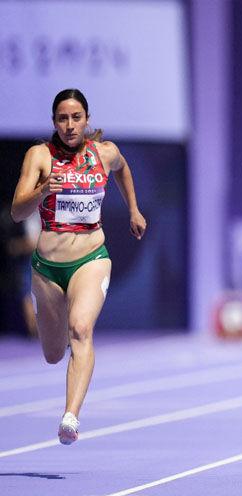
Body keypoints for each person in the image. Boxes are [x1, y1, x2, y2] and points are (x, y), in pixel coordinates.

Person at [11, 89, 146, 445]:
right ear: (54, 122)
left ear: (87, 120)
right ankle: (60, 349)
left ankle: (70, 416)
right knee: (53, 354)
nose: (69, 125)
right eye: (62, 119)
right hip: (47, 268)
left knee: (81, 329)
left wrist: (133, 209)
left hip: (91, 258)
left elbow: (123, 169)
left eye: (76, 118)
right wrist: (42, 189)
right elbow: (16, 212)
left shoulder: (105, 152)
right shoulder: (40, 156)